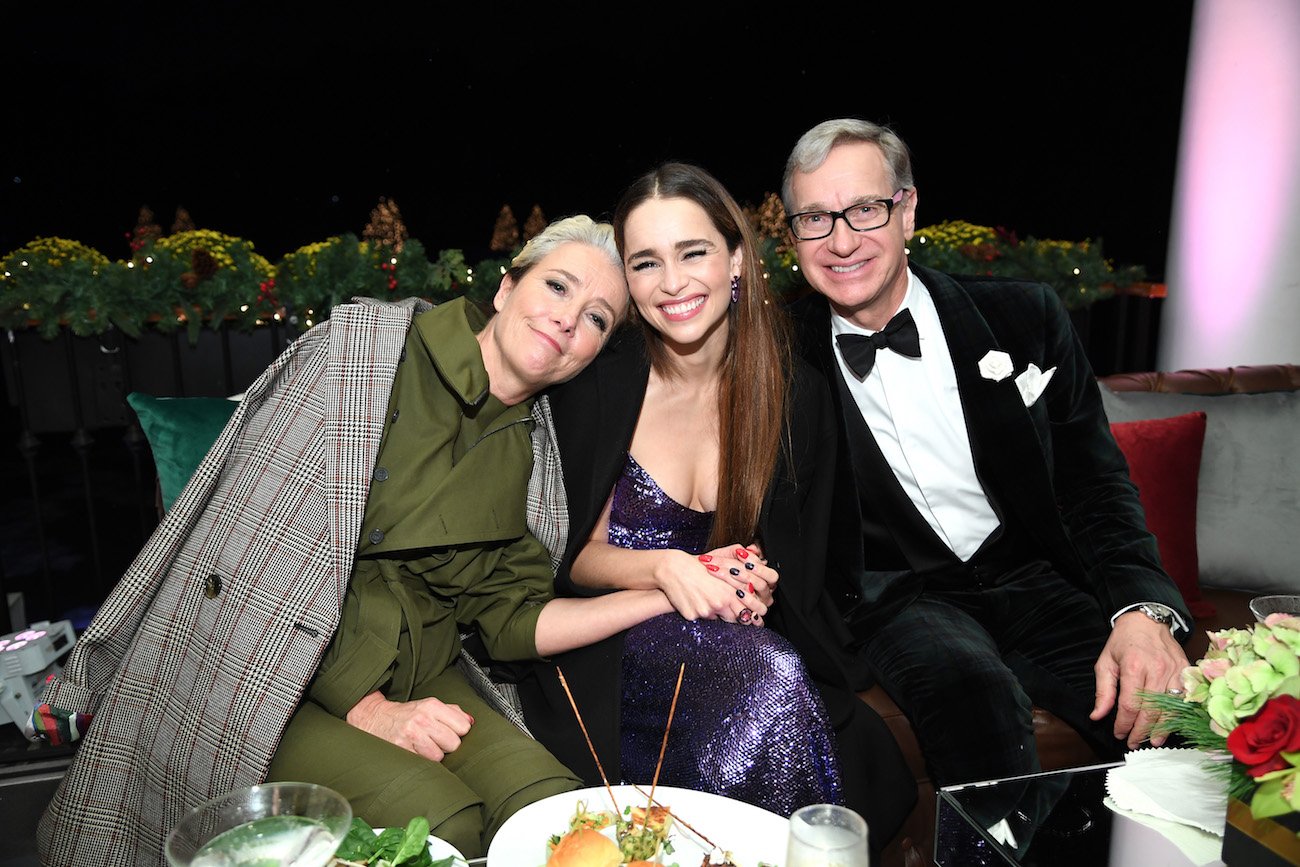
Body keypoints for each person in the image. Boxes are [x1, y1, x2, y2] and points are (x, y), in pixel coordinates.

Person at [31, 215, 677, 866]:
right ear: (507, 288)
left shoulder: (532, 453)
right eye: (559, 287)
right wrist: (365, 707)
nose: (570, 319)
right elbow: (250, 561)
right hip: (286, 670)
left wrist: (663, 589)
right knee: (444, 823)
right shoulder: (360, 360)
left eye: (598, 317)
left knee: (552, 810)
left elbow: (512, 620)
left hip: (423, 668)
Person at [780, 117, 1193, 837]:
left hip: (1035, 577)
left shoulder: (1024, 318)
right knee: (976, 706)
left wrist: (1142, 613)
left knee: (1187, 723)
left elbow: (1096, 488)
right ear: (792, 237)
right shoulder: (775, 357)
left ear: (908, 210)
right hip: (901, 597)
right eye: (815, 218)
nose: (841, 240)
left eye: (865, 209)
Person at [516, 163, 915, 850]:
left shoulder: (795, 394)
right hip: (611, 653)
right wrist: (669, 569)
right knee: (765, 675)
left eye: (692, 252)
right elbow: (568, 556)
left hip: (738, 638)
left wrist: (758, 576)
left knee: (769, 671)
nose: (671, 283)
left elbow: (804, 563)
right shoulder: (599, 385)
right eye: (646, 263)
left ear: (734, 257)